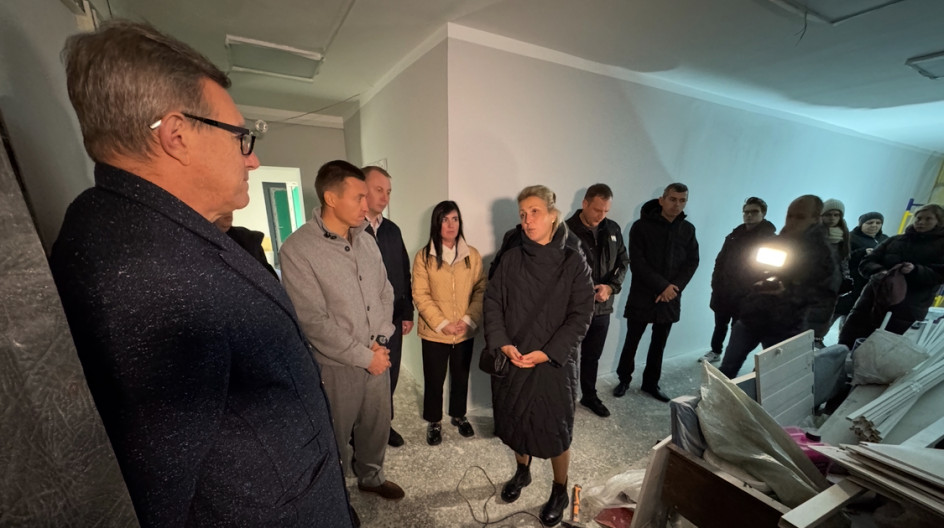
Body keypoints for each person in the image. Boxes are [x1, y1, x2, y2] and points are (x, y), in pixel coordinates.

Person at [48, 20, 353, 527]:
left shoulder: (144, 228)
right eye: (241, 138)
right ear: (177, 135)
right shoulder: (144, 278)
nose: (252, 159)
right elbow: (158, 497)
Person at [280, 161, 405, 507]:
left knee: (376, 427)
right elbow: (313, 321)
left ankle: (371, 478)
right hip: (336, 367)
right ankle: (336, 496)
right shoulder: (298, 249)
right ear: (331, 198)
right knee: (334, 434)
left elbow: (385, 292)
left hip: (377, 355)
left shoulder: (366, 240)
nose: (368, 204)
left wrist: (380, 341)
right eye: (359, 197)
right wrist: (365, 356)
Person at [484, 185, 593, 527]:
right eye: (522, 214)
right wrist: (502, 343)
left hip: (553, 363)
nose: (527, 220)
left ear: (552, 215)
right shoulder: (512, 256)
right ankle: (523, 471)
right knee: (515, 420)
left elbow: (582, 314)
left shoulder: (573, 259)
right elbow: (492, 301)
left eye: (534, 212)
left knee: (555, 429)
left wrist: (548, 353)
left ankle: (560, 489)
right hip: (516, 357)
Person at [718, 195, 839, 379]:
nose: (792, 221)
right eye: (790, 215)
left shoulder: (823, 254)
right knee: (727, 368)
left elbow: (825, 296)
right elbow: (752, 269)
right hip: (753, 315)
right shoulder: (776, 241)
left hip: (786, 325)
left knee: (769, 378)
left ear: (815, 218)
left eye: (800, 217)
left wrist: (787, 293)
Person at [613, 183, 699, 402]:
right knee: (632, 340)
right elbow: (637, 262)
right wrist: (662, 286)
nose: (677, 204)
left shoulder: (687, 230)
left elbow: (692, 262)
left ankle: (651, 383)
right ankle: (624, 379)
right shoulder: (640, 226)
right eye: (673, 199)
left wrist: (674, 288)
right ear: (662, 200)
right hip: (643, 293)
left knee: (659, 344)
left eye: (682, 200)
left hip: (671, 296)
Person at [412, 201, 486, 445]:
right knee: (434, 379)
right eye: (445, 220)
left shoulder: (472, 255)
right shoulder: (424, 256)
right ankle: (434, 421)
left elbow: (481, 289)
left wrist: (467, 320)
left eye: (455, 219)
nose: (450, 224)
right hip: (435, 332)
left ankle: (458, 415)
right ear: (437, 223)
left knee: (461, 377)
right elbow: (420, 294)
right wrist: (443, 323)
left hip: (464, 331)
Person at [838, 204, 944, 348]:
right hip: (871, 300)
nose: (921, 222)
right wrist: (879, 272)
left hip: (907, 306)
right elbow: (867, 262)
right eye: (918, 218)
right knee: (849, 341)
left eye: (928, 219)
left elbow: (939, 274)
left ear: (939, 221)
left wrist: (915, 270)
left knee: (882, 349)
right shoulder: (894, 241)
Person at [564, 184, 629, 417]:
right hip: (572, 309)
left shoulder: (613, 229)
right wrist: (582, 292)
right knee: (566, 356)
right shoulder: (565, 231)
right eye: (597, 210)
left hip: (602, 307)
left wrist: (610, 288)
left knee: (592, 356)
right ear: (585, 203)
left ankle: (589, 396)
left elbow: (623, 262)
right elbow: (557, 272)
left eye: (606, 211)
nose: (601, 216)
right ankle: (563, 399)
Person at [362, 165, 414, 448]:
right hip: (363, 323)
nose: (385, 197)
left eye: (389, 192)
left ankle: (385, 423)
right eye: (379, 189)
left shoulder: (392, 230)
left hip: (392, 319)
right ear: (362, 189)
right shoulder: (352, 230)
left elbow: (403, 272)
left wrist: (407, 312)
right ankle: (360, 430)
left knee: (390, 374)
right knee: (365, 377)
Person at [700, 197, 776, 363]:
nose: (749, 215)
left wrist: (756, 292)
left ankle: (730, 359)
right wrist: (716, 283)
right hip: (725, 290)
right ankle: (715, 351)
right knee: (720, 323)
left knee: (739, 329)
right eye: (746, 212)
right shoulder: (734, 235)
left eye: (754, 212)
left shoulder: (770, 239)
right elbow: (720, 260)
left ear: (763, 214)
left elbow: (771, 270)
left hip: (748, 293)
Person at [832, 212, 888, 328]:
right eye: (870, 222)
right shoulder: (850, 238)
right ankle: (817, 335)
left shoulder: (885, 239)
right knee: (835, 312)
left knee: (852, 316)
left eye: (878, 223)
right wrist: (862, 252)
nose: (874, 225)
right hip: (850, 282)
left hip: (869, 284)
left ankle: (843, 336)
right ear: (861, 224)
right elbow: (841, 258)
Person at [813, 198, 852, 346]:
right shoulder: (813, 233)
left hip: (833, 283)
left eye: (836, 215)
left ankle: (817, 339)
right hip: (813, 282)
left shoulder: (843, 235)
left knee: (826, 314)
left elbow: (844, 260)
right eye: (828, 214)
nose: (832, 218)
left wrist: (846, 279)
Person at [213, 212, 279, 279]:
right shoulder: (208, 249)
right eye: (218, 207)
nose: (229, 211)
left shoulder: (248, 239)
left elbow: (270, 278)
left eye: (230, 207)